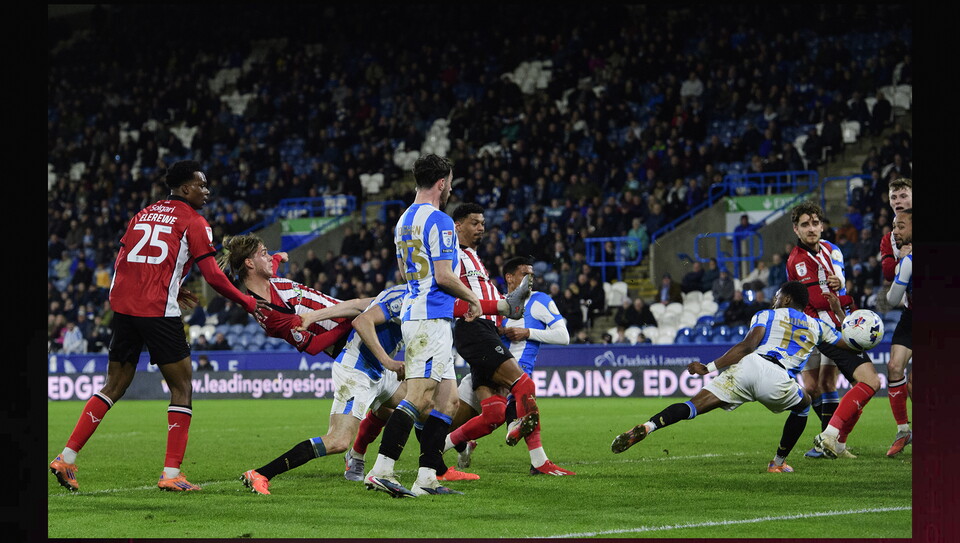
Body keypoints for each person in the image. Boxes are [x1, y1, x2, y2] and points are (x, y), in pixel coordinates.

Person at [50, 160, 265, 492]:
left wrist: (172, 285)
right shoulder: (194, 221)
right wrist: (248, 301)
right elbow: (212, 275)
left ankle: (65, 457)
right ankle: (171, 474)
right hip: (156, 310)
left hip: (123, 306)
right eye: (201, 185)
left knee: (114, 385)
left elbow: (126, 260)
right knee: (182, 388)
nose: (206, 191)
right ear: (183, 188)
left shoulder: (142, 214)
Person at [611, 281, 863, 473]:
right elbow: (850, 343)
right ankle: (777, 463)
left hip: (749, 367)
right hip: (780, 380)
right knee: (804, 405)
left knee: (692, 406)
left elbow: (747, 346)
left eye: (777, 297)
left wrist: (708, 367)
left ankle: (649, 426)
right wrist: (842, 314)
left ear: (786, 298)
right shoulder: (817, 325)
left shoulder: (766, 315)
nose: (774, 300)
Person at [364, 154, 484, 498]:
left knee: (447, 402)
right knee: (418, 398)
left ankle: (427, 477)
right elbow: (445, 276)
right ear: (442, 183)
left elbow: (406, 273)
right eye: (449, 182)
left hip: (420, 312)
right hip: (429, 318)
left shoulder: (403, 221)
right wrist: (472, 299)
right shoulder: (442, 221)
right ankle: (381, 470)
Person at [444, 256, 574, 476]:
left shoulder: (539, 300)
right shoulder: (498, 304)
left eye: (532, 275)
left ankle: (532, 452)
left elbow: (563, 336)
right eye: (525, 274)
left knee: (515, 399)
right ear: (510, 277)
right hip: (484, 371)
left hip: (512, 374)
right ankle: (459, 445)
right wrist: (499, 331)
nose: (530, 279)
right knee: (449, 422)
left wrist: (528, 332)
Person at [786, 202, 882, 460]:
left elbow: (834, 288)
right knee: (867, 381)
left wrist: (841, 286)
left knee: (828, 383)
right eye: (805, 225)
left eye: (815, 223)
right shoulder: (799, 261)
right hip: (825, 330)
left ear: (821, 225)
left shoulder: (829, 250)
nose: (812, 228)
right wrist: (845, 303)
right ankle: (830, 436)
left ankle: (834, 442)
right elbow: (819, 301)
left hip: (833, 326)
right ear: (796, 229)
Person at [878, 179, 913, 456]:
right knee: (893, 367)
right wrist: (902, 260)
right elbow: (888, 271)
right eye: (894, 196)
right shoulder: (890, 236)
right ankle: (903, 431)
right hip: (910, 311)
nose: (898, 200)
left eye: (903, 195)